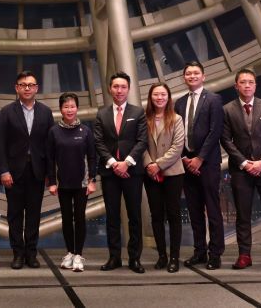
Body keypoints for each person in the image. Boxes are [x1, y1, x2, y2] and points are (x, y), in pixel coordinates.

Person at [220, 68, 261, 274]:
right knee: (242, 215)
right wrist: (244, 163)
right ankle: (244, 255)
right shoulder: (227, 110)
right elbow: (225, 139)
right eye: (243, 82)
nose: (247, 85)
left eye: (250, 82)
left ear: (255, 85)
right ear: (236, 86)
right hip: (241, 171)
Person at [0, 70, 54, 269]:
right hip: (13, 172)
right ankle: (18, 254)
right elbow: (0, 144)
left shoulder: (46, 112)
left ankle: (31, 253)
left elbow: (50, 146)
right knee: (14, 215)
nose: (27, 88)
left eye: (31, 85)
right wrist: (3, 171)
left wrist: (50, 175)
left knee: (34, 215)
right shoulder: (7, 111)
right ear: (17, 88)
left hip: (37, 171)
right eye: (23, 85)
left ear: (37, 88)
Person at [94, 71, 148, 274]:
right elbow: (98, 141)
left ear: (128, 89)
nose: (119, 90)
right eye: (116, 86)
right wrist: (113, 163)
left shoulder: (138, 112)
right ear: (110, 89)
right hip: (110, 173)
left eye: (123, 87)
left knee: (134, 216)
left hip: (132, 172)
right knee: (112, 217)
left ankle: (135, 258)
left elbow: (142, 141)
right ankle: (114, 257)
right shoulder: (102, 114)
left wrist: (126, 163)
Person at [174, 61, 225, 270]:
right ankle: (199, 251)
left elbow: (215, 131)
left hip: (208, 163)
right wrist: (185, 158)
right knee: (194, 210)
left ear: (203, 76)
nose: (192, 76)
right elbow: (177, 133)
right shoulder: (179, 102)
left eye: (196, 73)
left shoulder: (213, 99)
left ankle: (215, 254)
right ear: (184, 78)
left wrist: (200, 158)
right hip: (186, 163)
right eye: (188, 73)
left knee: (212, 210)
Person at [47, 93, 97, 272]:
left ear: (77, 108)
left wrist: (92, 180)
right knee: (66, 218)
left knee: (80, 218)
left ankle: (78, 255)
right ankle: (69, 252)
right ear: (61, 109)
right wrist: (52, 182)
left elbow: (92, 157)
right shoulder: (54, 131)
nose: (69, 110)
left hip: (82, 184)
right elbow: (50, 159)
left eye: (72, 106)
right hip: (63, 184)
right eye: (66, 106)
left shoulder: (85, 131)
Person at [142, 83, 184, 273]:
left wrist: (158, 165)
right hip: (151, 174)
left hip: (172, 173)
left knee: (174, 215)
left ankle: (174, 257)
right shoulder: (144, 119)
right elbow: (140, 145)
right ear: (151, 97)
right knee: (156, 216)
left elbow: (178, 147)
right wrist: (149, 165)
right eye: (156, 95)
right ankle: (162, 256)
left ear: (168, 97)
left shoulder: (176, 119)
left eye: (163, 94)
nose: (159, 98)